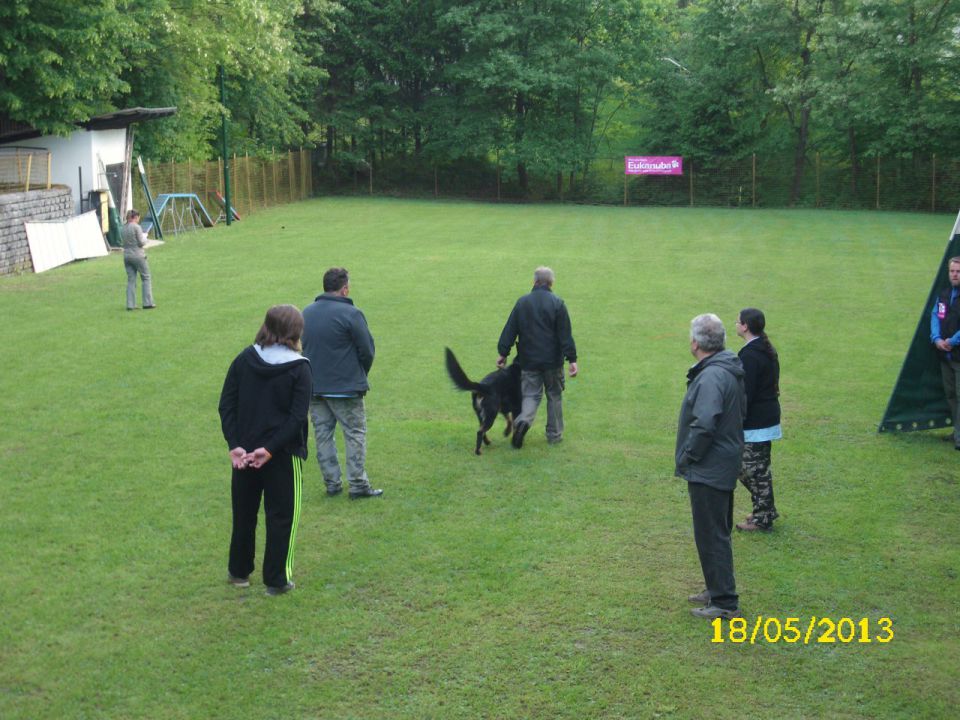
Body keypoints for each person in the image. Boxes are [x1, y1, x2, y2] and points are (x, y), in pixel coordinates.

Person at [218, 305, 312, 596]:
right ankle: (276, 580)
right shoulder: (300, 368)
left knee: (244, 513)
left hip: (244, 455)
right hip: (282, 455)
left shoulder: (244, 360)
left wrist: (236, 445)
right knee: (283, 515)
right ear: (296, 332)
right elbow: (297, 417)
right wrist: (270, 449)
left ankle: (238, 572)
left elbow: (226, 405)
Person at [675, 313, 746, 620]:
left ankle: (724, 602)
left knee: (711, 533)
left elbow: (705, 423)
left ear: (695, 343)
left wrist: (689, 455)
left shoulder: (713, 376)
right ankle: (715, 588)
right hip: (721, 463)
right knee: (714, 530)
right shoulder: (723, 369)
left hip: (710, 466)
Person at [302, 268, 382, 499]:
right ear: (345, 288)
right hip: (345, 389)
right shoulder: (351, 314)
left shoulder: (307, 313)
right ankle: (358, 484)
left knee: (322, 435)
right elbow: (367, 350)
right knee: (355, 433)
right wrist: (359, 374)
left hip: (315, 388)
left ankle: (332, 483)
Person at [497, 266, 578, 448]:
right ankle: (554, 435)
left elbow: (510, 330)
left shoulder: (522, 302)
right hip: (552, 362)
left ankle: (523, 421)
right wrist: (572, 359)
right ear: (551, 283)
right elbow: (565, 335)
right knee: (554, 395)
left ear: (534, 282)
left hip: (528, 361)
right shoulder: (558, 303)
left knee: (531, 396)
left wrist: (503, 353)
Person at [734, 308, 782, 532]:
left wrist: (736, 417)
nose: (735, 325)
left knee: (749, 469)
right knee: (757, 469)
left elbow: (746, 392)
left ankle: (764, 515)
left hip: (756, 422)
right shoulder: (763, 349)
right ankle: (763, 511)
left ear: (745, 326)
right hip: (766, 419)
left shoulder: (750, 355)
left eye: (737, 322)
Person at [930, 257, 960, 449]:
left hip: (958, 355)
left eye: (958, 271)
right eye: (952, 271)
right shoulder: (944, 293)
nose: (955, 274)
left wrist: (952, 341)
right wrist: (936, 338)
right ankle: (958, 431)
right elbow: (935, 315)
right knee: (951, 394)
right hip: (946, 355)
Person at [121, 209, 155, 311]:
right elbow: (141, 242)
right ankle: (147, 303)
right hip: (138, 255)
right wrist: (146, 238)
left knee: (131, 280)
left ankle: (130, 305)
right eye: (138, 218)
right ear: (135, 217)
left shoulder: (123, 228)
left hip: (127, 256)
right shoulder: (136, 227)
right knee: (146, 277)